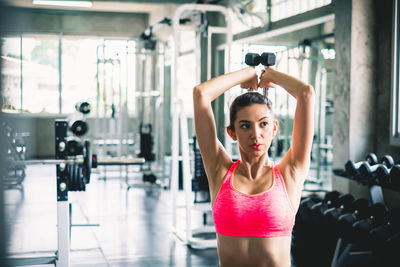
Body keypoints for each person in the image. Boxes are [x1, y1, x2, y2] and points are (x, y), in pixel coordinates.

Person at [193, 65, 314, 267]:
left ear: (274, 128)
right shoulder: (219, 171)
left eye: (263, 124)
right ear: (232, 132)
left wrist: (271, 75)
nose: (256, 134)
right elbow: (200, 94)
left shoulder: (290, 173)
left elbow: (306, 93)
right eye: (245, 125)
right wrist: (246, 74)